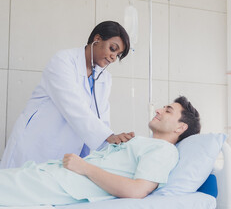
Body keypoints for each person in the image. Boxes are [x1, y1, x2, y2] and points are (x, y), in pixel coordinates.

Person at [0, 96, 201, 206]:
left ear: (180, 128)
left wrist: (84, 167)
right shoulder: (141, 142)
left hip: (63, 184)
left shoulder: (164, 150)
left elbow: (136, 190)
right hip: (53, 175)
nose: (158, 110)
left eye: (167, 110)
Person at [0, 21, 135, 169]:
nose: (113, 57)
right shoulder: (63, 61)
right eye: (112, 48)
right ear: (97, 39)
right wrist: (107, 136)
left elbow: (102, 118)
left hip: (70, 154)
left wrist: (113, 144)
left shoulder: (104, 78)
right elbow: (72, 105)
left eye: (117, 54)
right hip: (38, 146)